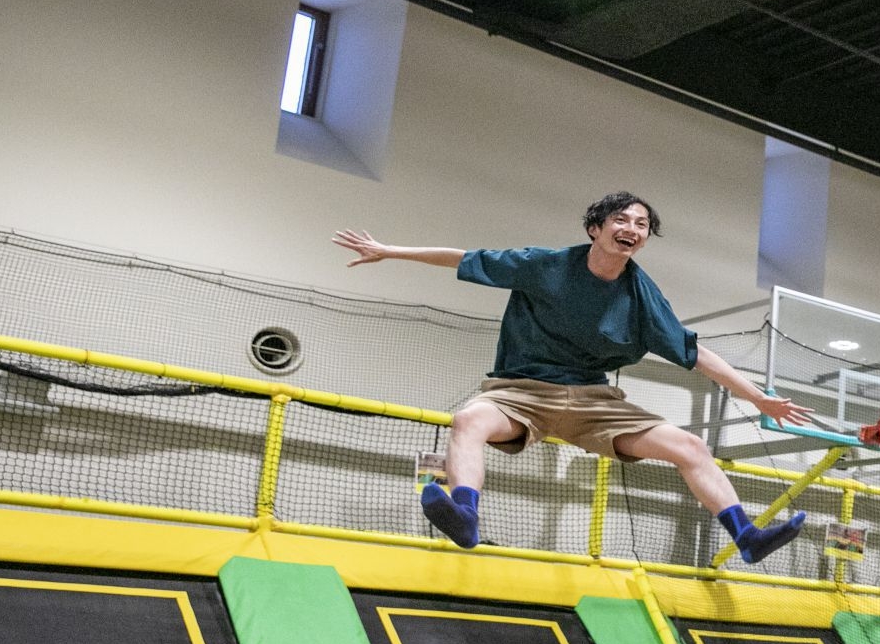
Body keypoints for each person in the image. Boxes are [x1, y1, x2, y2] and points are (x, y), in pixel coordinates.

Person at [332, 194, 813, 562]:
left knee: (690, 447)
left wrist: (759, 399)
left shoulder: (642, 295)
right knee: (468, 422)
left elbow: (695, 353)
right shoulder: (545, 265)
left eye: (641, 224)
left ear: (645, 239)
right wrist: (389, 251)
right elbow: (462, 257)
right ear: (596, 229)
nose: (632, 228)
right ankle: (466, 517)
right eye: (621, 220)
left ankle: (746, 538)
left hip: (595, 404)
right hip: (521, 393)